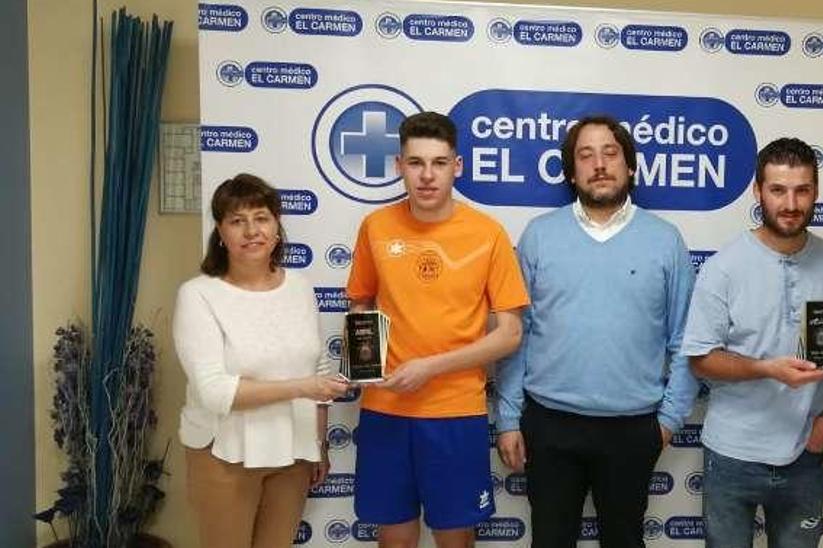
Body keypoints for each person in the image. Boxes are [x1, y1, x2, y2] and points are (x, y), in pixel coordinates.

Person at [495, 115, 697, 547]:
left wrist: (668, 421)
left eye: (610, 153)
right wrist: (509, 417)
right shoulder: (539, 236)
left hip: (633, 429)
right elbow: (518, 334)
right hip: (549, 425)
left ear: (630, 167)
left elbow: (685, 341)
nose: (599, 164)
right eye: (585, 156)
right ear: (572, 171)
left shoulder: (666, 240)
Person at [345, 111, 529, 548]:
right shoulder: (376, 226)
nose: (427, 176)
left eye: (439, 163)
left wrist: (431, 367)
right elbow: (360, 301)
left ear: (457, 166)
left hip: (455, 413)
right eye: (416, 163)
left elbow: (510, 333)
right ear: (399, 166)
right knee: (394, 538)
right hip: (386, 409)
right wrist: (362, 363)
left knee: (455, 539)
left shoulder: (487, 233)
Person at [681, 138, 823, 547]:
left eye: (802, 190)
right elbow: (700, 361)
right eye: (778, 190)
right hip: (731, 455)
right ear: (758, 191)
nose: (791, 203)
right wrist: (763, 368)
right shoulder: (723, 268)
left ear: (815, 192)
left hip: (804, 454)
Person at [173, 173, 349, 548]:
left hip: (293, 452)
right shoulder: (198, 295)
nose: (251, 230)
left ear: (277, 227)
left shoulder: (300, 287)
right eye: (237, 221)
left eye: (262, 218)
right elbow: (216, 392)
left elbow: (315, 368)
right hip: (224, 453)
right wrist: (302, 388)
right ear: (220, 233)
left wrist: (319, 444)